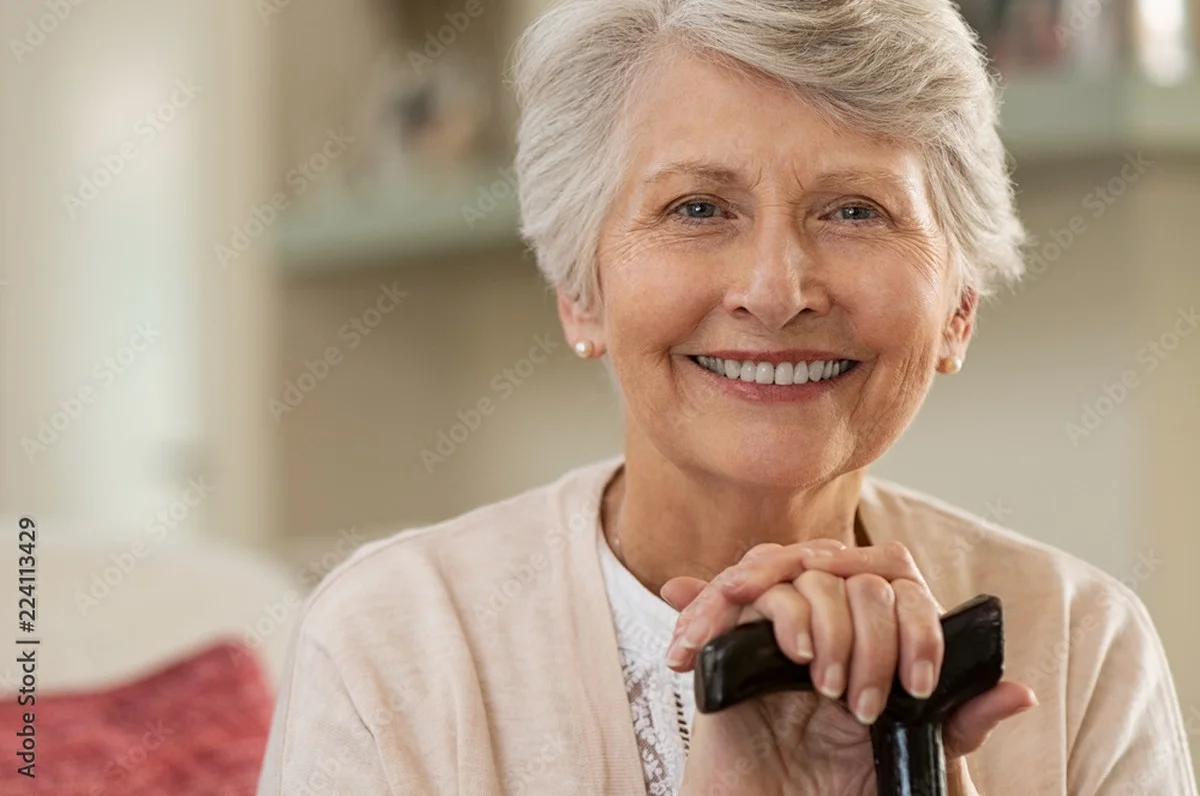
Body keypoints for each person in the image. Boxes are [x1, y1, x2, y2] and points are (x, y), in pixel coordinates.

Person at [257, 0, 1198, 793]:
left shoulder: (1080, 644)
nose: (777, 289)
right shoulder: (394, 643)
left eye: (855, 211)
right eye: (698, 209)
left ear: (959, 306)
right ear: (581, 291)